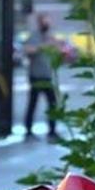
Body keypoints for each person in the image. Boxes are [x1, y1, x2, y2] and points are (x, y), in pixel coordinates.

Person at [23, 12, 59, 142]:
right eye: (45, 21)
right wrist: (42, 47)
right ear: (39, 23)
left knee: (52, 103)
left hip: (47, 75)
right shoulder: (34, 36)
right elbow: (28, 50)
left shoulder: (50, 37)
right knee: (33, 103)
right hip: (36, 76)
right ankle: (28, 130)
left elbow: (57, 50)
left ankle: (52, 130)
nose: (47, 24)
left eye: (48, 22)